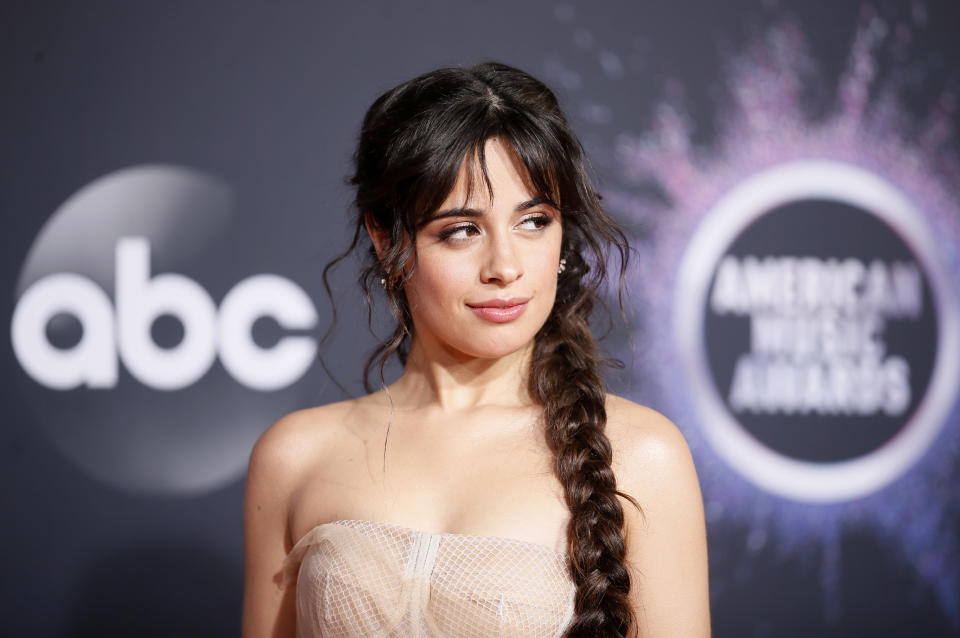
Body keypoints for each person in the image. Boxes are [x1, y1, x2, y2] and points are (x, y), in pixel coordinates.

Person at [242, 61, 710, 638]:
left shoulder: (643, 455)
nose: (506, 267)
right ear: (386, 239)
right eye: (462, 230)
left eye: (534, 221)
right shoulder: (295, 456)